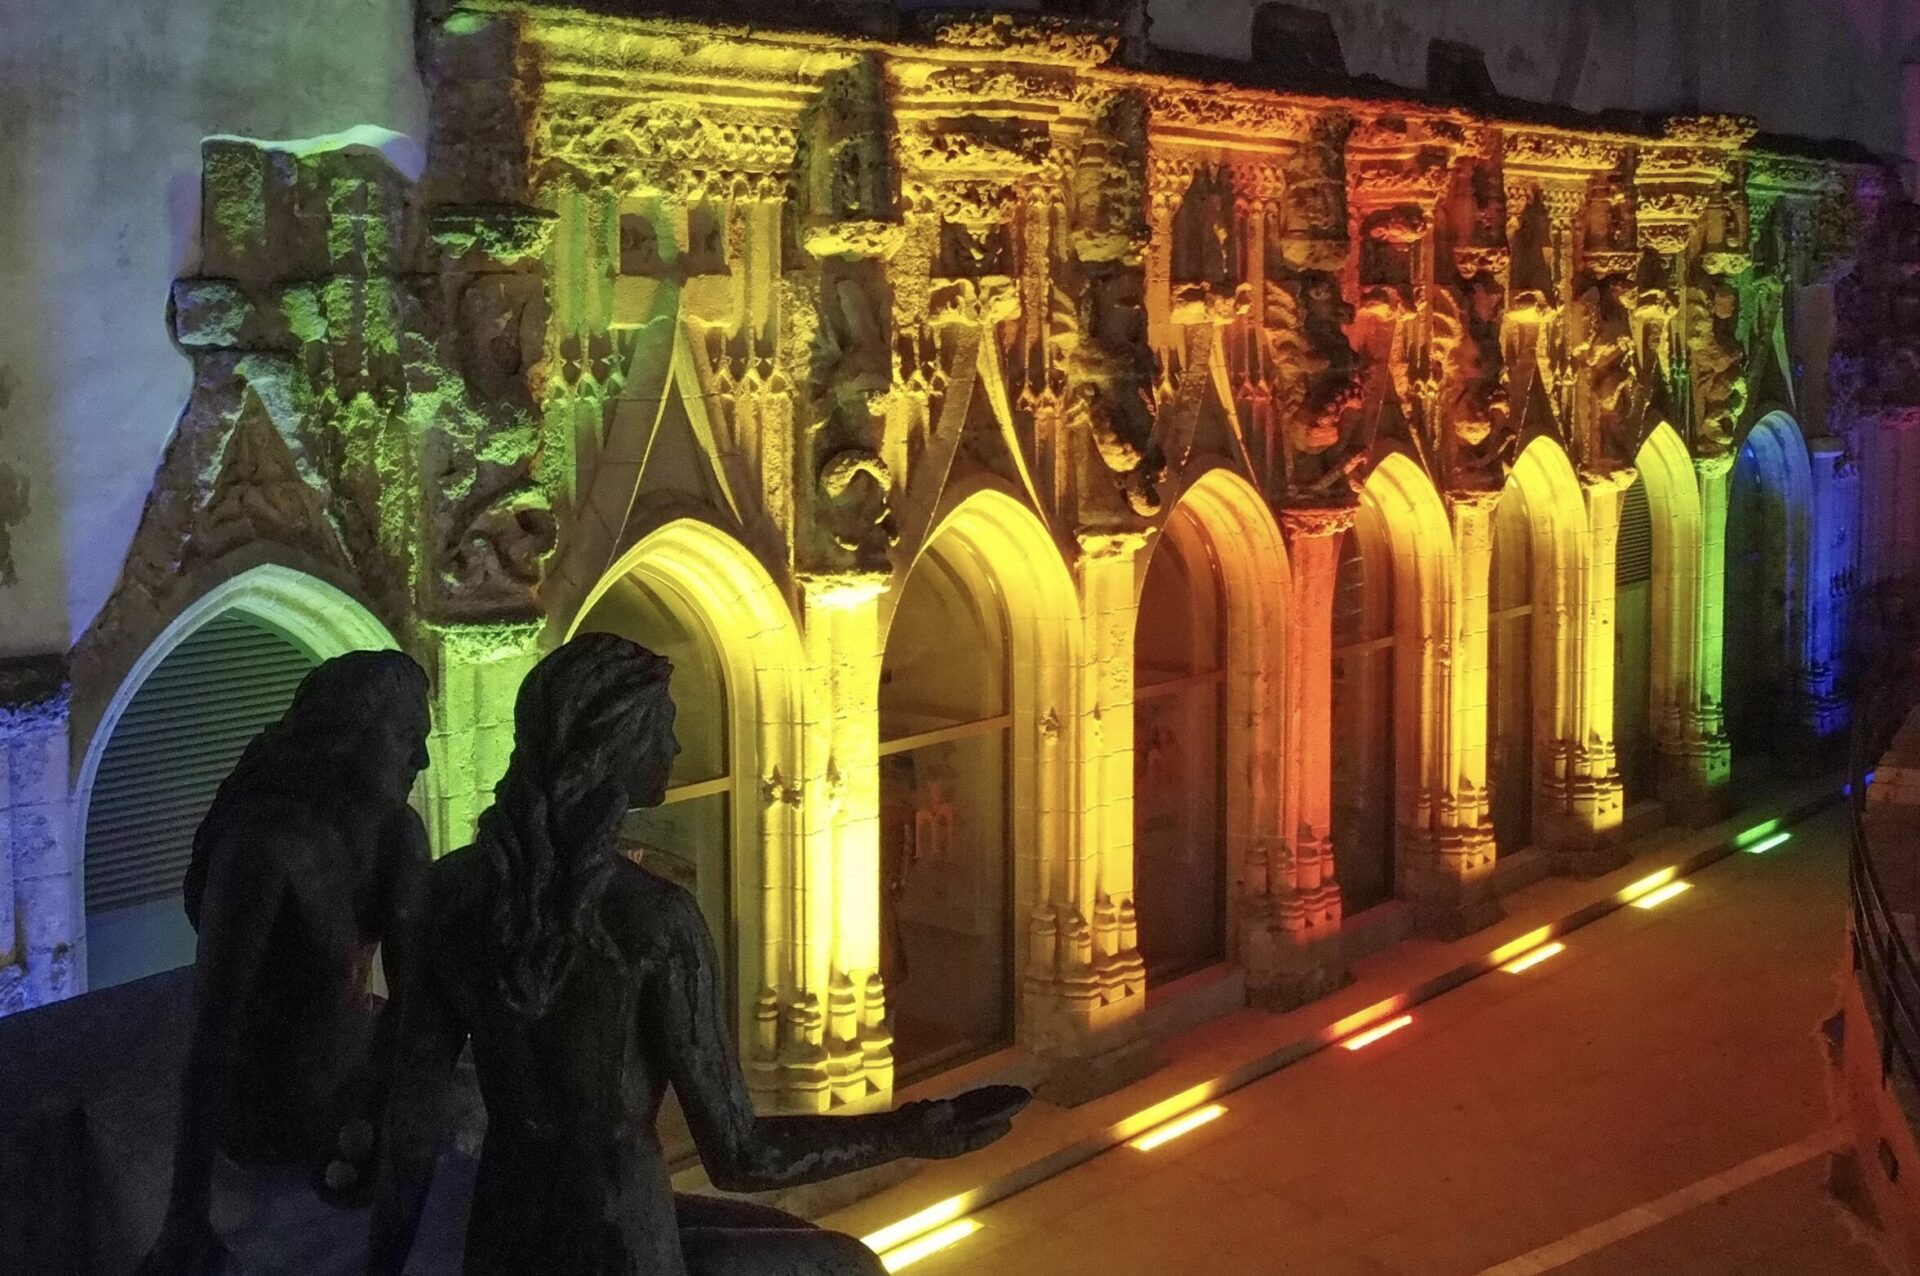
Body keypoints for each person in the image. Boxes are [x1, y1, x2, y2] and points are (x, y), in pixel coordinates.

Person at [366, 633, 1027, 1276]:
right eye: (664, 728)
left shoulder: (449, 893)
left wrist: (385, 1255)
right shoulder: (656, 921)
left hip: (507, 1237)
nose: (676, 747)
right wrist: (909, 1133)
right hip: (626, 1242)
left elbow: (411, 1108)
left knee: (789, 1241)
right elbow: (742, 1156)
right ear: (616, 743)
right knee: (847, 1264)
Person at [138, 650, 435, 1275]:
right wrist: (185, 1217)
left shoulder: (398, 835)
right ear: (347, 736)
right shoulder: (264, 847)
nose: (422, 761)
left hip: (346, 1108)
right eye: (406, 737)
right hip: (261, 1130)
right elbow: (214, 1033)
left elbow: (415, 1007)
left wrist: (381, 1120)